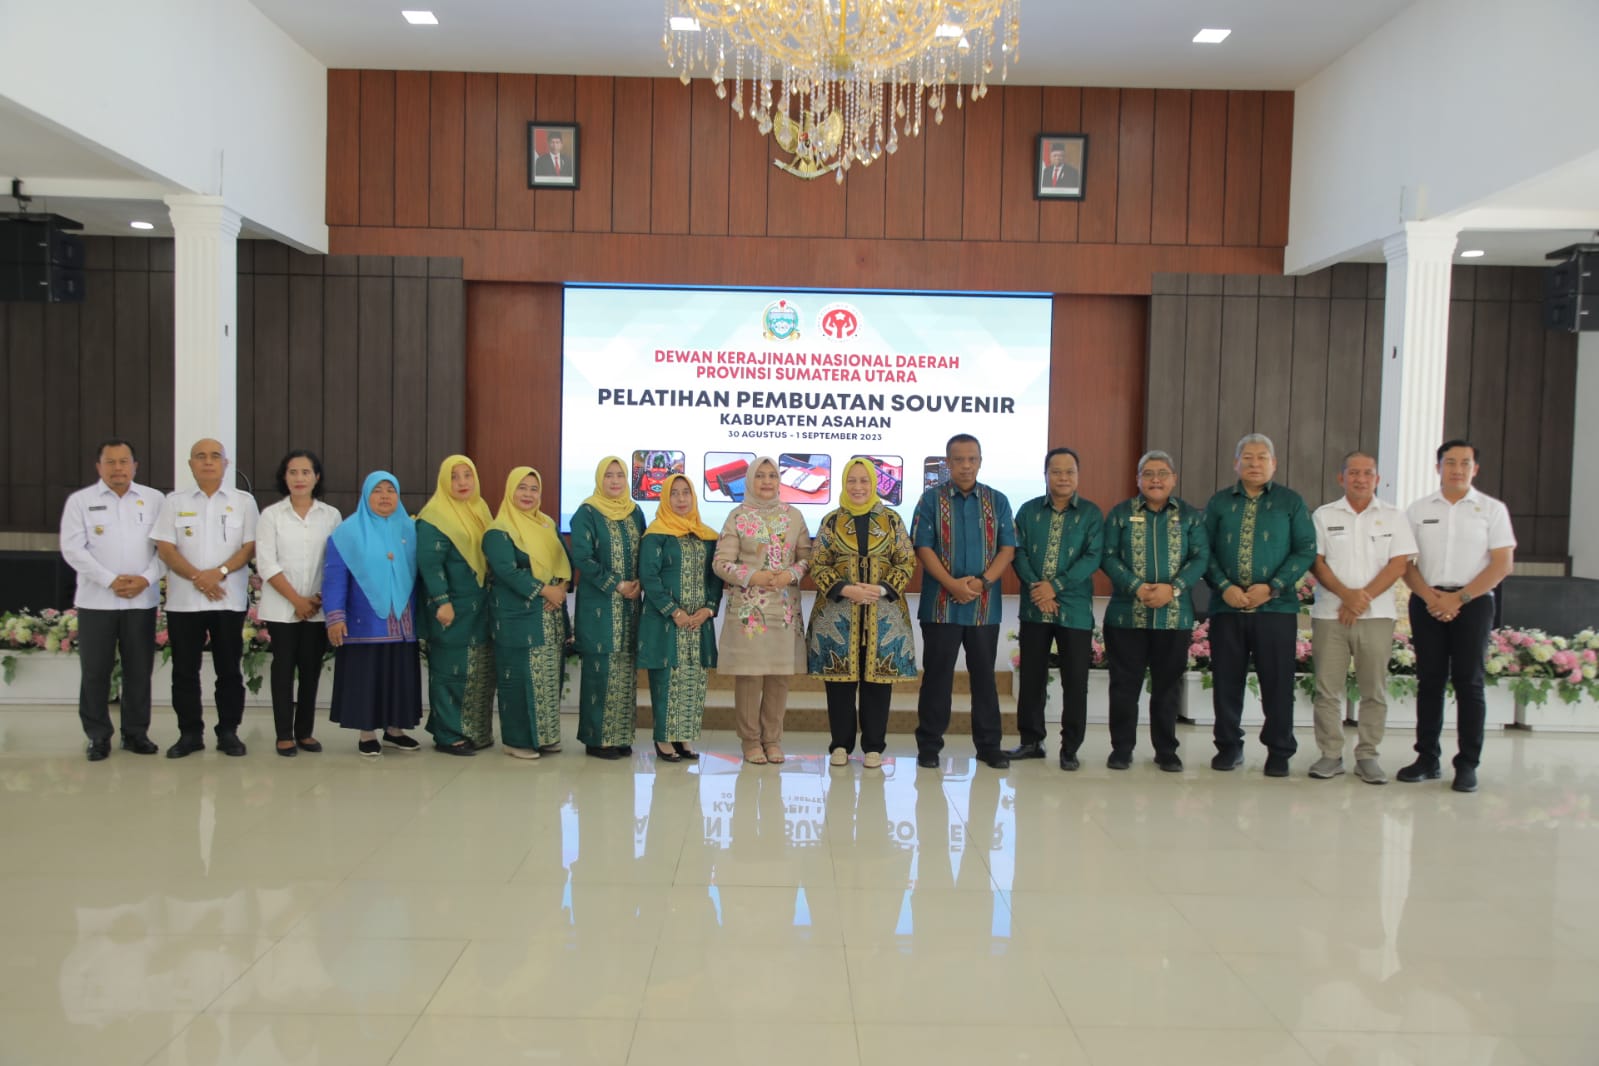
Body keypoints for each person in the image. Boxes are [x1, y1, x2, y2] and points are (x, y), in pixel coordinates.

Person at [1400, 439, 1516, 793]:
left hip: (1473, 602)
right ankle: (1427, 758)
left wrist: (1459, 598)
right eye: (1450, 462)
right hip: (1428, 600)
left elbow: (1502, 563)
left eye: (1465, 463)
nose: (1457, 469)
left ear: (1475, 469)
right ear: (1438, 467)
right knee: (1430, 681)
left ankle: (1467, 764)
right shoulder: (1418, 509)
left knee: (1469, 683)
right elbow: (1404, 561)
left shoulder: (1492, 510)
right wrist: (1431, 597)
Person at [1202, 433, 1316, 777]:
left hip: (1276, 609)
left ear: (1274, 463)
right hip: (1227, 608)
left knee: (1277, 683)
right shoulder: (1219, 502)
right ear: (1236, 463)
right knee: (1226, 681)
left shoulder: (1290, 502)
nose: (1254, 464)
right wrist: (1224, 587)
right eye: (1247, 458)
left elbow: (1305, 549)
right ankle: (1228, 746)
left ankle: (1279, 751)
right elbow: (1202, 550)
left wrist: (1273, 587)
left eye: (1262, 457)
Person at [1308, 450, 1417, 785]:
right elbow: (1316, 562)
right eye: (1353, 472)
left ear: (1377, 479)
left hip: (1377, 616)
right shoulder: (1324, 515)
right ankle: (1330, 755)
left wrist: (1361, 599)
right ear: (1341, 477)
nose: (1360, 478)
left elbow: (1399, 565)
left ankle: (1368, 755)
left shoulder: (1394, 516)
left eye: (1367, 473)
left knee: (1374, 690)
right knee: (1327, 690)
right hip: (1330, 615)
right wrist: (1347, 596)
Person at [912, 433, 1017, 770]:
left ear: (980, 461)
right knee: (937, 678)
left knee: (984, 679)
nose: (966, 466)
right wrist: (951, 584)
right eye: (959, 460)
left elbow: (1007, 549)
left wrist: (983, 582)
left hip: (984, 608)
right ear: (948, 463)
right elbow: (922, 547)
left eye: (972, 459)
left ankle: (989, 746)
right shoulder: (931, 500)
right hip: (940, 606)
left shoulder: (998, 501)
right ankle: (929, 746)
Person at [1099, 450, 1209, 772]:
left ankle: (1166, 750)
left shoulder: (1189, 516)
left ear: (1173, 479)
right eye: (1148, 474)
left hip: (1174, 617)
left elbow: (1200, 557)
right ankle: (1121, 749)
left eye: (1162, 474)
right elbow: (1108, 555)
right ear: (1138, 479)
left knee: (1167, 687)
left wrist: (1172, 589)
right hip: (1126, 616)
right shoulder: (1120, 514)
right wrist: (1136, 586)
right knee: (1124, 686)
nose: (1155, 480)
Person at [150, 438, 259, 758]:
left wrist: (219, 572)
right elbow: (165, 547)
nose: (208, 461)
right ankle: (189, 734)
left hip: (227, 600)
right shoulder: (174, 501)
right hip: (185, 602)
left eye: (215, 456)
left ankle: (228, 732)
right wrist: (199, 577)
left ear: (226, 463)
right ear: (191, 464)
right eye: (200, 456)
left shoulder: (243, 502)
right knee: (184, 672)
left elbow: (250, 547)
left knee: (229, 670)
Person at [807, 457, 917, 770]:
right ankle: (840, 745)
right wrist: (845, 589)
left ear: (874, 483)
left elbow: (906, 560)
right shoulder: (831, 521)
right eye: (852, 480)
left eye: (864, 480)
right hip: (839, 615)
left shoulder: (892, 520)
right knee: (839, 684)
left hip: (883, 616)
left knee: (878, 684)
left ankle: (874, 746)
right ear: (844, 483)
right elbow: (818, 562)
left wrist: (881, 589)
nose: (858, 487)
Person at [59, 438, 165, 761]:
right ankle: (98, 736)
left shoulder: (155, 499)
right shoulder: (80, 501)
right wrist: (110, 580)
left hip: (141, 600)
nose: (118, 468)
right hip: (97, 602)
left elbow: (167, 548)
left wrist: (145, 578)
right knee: (95, 671)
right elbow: (72, 549)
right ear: (99, 466)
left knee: (139, 670)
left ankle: (136, 734)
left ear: (135, 466)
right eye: (110, 462)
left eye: (124, 462)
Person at [1008, 447, 1103, 770]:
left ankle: (1070, 748)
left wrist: (1055, 586)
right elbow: (1018, 552)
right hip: (1035, 608)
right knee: (1031, 678)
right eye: (1056, 471)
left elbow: (1092, 557)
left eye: (1069, 472)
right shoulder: (1028, 510)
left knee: (1075, 682)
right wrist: (1039, 589)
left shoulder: (1091, 514)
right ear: (1045, 475)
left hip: (1073, 610)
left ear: (1078, 475)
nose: (1063, 477)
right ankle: (1031, 741)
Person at [713, 455, 812, 764]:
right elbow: (721, 562)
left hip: (783, 609)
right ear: (749, 481)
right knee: (749, 677)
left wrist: (790, 574)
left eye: (772, 476)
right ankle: (750, 741)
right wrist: (752, 576)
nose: (767, 481)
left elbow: (807, 558)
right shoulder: (738, 516)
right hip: (749, 612)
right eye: (760, 475)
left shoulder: (794, 516)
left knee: (779, 677)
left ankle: (772, 740)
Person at [323, 471, 424, 756]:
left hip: (402, 621)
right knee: (366, 675)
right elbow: (334, 577)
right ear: (366, 495)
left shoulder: (410, 529)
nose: (384, 496)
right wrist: (335, 616)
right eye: (377, 490)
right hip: (363, 620)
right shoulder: (347, 532)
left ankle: (395, 730)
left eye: (390, 490)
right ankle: (366, 733)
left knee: (399, 673)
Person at [255, 449, 342, 757]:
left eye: (306, 472)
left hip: (317, 608)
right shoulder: (271, 515)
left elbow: (336, 561)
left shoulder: (331, 515)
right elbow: (266, 563)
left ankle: (304, 732)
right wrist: (296, 600)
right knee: (283, 669)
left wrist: (317, 599)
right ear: (284, 477)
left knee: (310, 670)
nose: (299, 478)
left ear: (316, 477)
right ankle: (284, 734)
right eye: (293, 472)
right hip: (282, 608)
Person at [484, 466, 572, 760]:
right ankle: (517, 740)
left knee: (548, 677)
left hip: (550, 614)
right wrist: (546, 591)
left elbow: (565, 561)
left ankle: (545, 737)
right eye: (521, 488)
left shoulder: (547, 524)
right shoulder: (498, 530)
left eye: (534, 489)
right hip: (517, 616)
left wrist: (561, 587)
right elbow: (507, 571)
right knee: (519, 678)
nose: (528, 494)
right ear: (511, 490)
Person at [638, 474, 723, 763]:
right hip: (666, 622)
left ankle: (683, 736)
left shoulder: (706, 535)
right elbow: (649, 576)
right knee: (666, 679)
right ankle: (663, 738)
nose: (681, 499)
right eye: (674, 493)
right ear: (665, 498)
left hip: (698, 622)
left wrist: (708, 609)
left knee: (692, 680)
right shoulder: (656, 534)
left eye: (686, 492)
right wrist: (674, 611)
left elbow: (714, 577)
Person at [417, 454, 495, 755]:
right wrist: (442, 601)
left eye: (467, 475)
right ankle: (448, 734)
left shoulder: (480, 509)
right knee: (450, 671)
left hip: (480, 606)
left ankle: (476, 731)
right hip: (450, 607)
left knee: (477, 670)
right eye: (454, 476)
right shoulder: (434, 516)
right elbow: (430, 565)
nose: (462, 482)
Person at [571, 455, 647, 759]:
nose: (615, 481)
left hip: (630, 605)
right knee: (600, 669)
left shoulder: (634, 512)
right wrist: (616, 584)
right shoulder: (587, 512)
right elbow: (582, 557)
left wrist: (640, 582)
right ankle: (597, 739)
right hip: (600, 605)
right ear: (599, 479)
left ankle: (620, 735)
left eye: (620, 475)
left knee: (625, 668)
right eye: (609, 475)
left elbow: (645, 550)